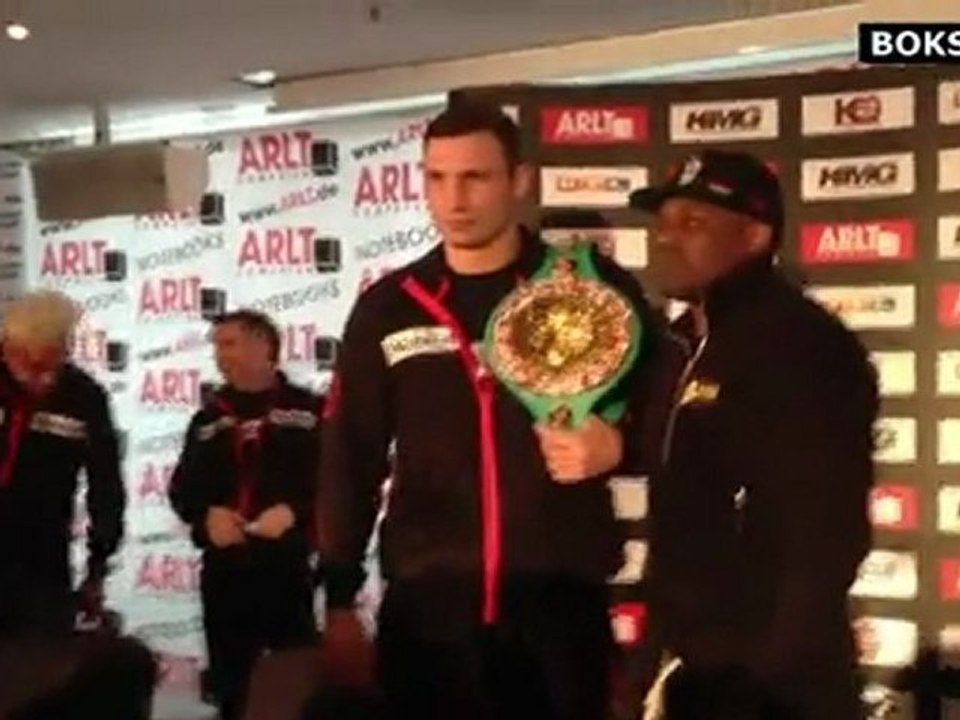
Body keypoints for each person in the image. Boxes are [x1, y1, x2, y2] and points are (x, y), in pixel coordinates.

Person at [317, 100, 654, 720]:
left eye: (475, 177)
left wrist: (616, 445)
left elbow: (667, 415)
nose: (454, 199)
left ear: (518, 180)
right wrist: (339, 594)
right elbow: (350, 454)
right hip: (430, 611)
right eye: (437, 177)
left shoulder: (586, 291)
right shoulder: (391, 306)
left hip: (557, 605)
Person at [626, 149, 878, 719]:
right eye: (662, 223)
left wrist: (769, 670)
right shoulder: (678, 346)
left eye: (693, 223)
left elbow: (824, 526)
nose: (666, 238)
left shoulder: (801, 344)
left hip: (771, 680)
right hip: (692, 660)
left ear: (755, 235)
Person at [0, 289, 155, 718]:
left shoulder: (84, 396)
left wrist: (98, 562)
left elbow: (106, 485)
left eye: (50, 359)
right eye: (23, 358)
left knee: (36, 679)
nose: (38, 373)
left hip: (41, 562)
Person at [169, 309, 323, 720]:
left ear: (263, 345)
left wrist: (295, 512)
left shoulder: (310, 410)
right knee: (232, 690)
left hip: (288, 568)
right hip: (225, 572)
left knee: (295, 685)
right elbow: (182, 490)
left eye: (230, 344)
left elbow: (335, 481)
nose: (220, 355)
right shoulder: (207, 418)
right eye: (217, 346)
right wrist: (206, 518)